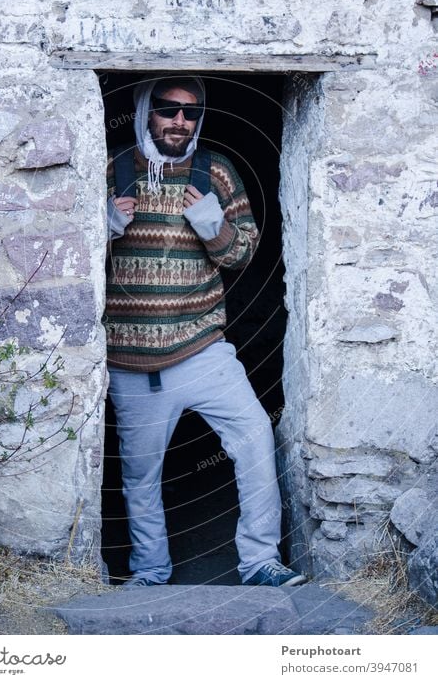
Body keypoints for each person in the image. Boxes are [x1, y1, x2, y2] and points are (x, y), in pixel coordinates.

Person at [104, 75, 307, 589]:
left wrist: (213, 225)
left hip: (203, 348)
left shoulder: (215, 170)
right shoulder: (112, 170)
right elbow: (72, 266)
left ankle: (260, 561)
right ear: (146, 110)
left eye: (190, 113)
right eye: (168, 109)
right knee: (139, 477)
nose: (179, 121)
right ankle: (150, 573)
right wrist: (100, 229)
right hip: (131, 362)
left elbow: (242, 255)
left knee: (257, 437)